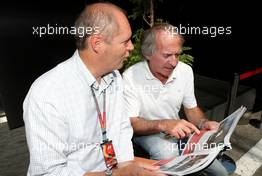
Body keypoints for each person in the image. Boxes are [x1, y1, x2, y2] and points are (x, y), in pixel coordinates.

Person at [23, 3, 165, 176]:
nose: (131, 47)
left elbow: (120, 135)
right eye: (125, 41)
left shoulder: (114, 78)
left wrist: (129, 169)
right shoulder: (47, 93)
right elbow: (48, 173)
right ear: (97, 43)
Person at [123, 23, 228, 176]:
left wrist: (204, 123)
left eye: (177, 55)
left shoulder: (185, 71)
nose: (174, 62)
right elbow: (131, 123)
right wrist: (164, 124)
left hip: (177, 130)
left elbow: (191, 109)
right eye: (166, 55)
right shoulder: (130, 76)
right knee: (167, 154)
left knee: (220, 173)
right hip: (145, 133)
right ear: (147, 53)